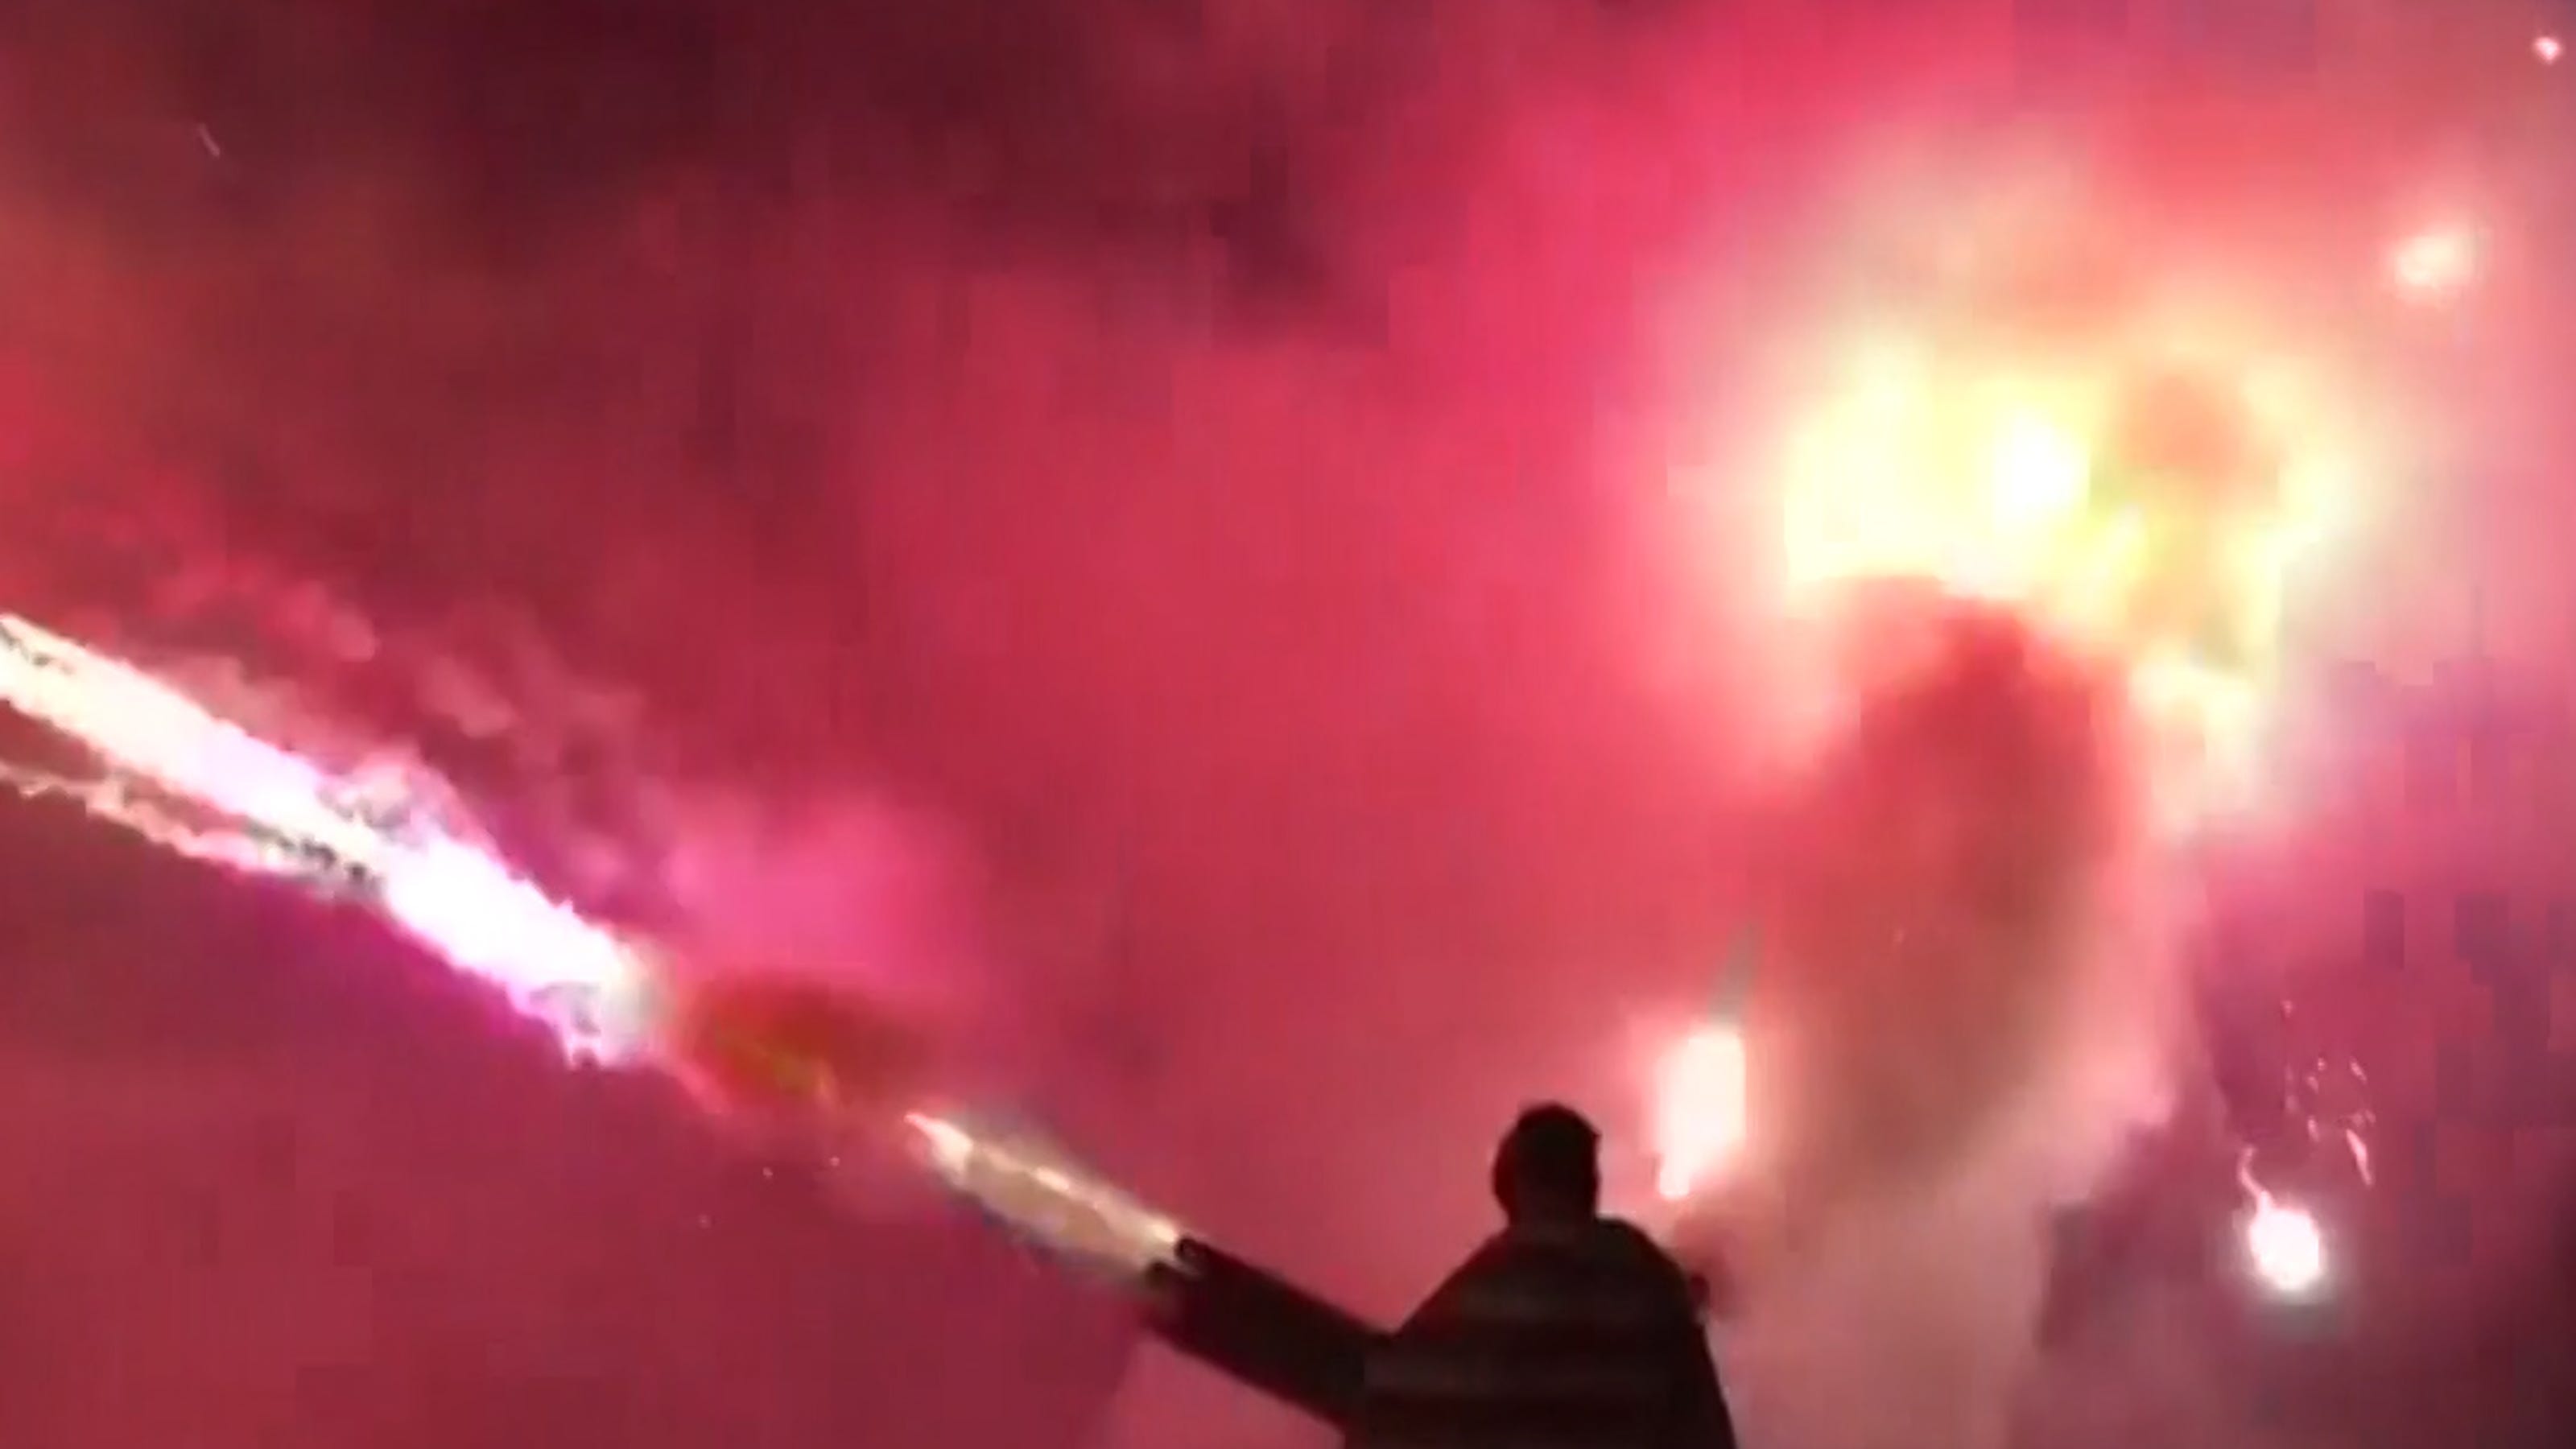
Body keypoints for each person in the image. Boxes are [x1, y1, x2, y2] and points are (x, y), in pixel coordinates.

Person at [1345, 1104, 1739, 1448]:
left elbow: (1385, 1410)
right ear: (1589, 1183)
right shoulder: (1646, 1288)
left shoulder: (1474, 1297)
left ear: (1508, 1185)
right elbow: (1704, 1433)